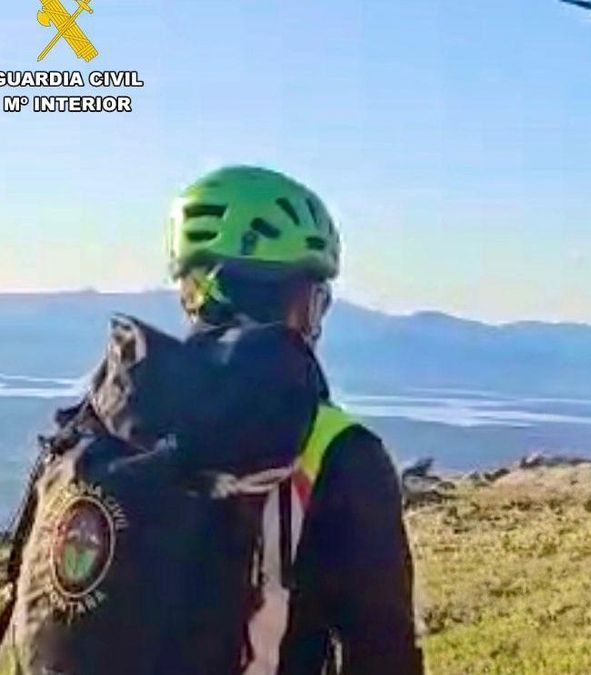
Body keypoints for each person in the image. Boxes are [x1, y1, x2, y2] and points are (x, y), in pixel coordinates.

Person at [167, 166, 424, 674]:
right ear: (302, 304)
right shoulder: (340, 451)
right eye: (319, 301)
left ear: (191, 293)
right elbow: (384, 653)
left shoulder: (115, 420)